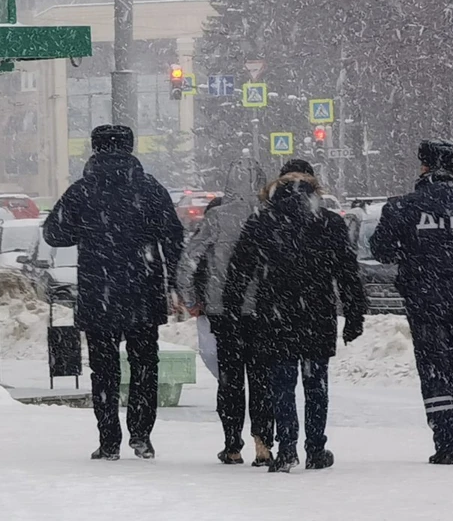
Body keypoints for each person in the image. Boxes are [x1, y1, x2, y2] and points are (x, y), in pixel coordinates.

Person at [43, 125, 184, 461]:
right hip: (143, 291)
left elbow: (53, 233)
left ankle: (109, 441)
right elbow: (174, 237)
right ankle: (141, 435)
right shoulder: (150, 189)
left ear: (95, 149)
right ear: (131, 148)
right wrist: (173, 281)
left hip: (98, 290)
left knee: (104, 371)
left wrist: (89, 230)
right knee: (145, 365)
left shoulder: (83, 190)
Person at [223, 160, 366, 473]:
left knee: (282, 384)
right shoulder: (329, 221)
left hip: (275, 314)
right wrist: (355, 314)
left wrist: (232, 310)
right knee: (316, 385)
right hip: (318, 313)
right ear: (314, 185)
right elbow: (347, 274)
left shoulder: (262, 220)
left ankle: (287, 449)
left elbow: (239, 271)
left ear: (278, 184)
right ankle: (316, 448)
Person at [369, 140, 453, 465]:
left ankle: (445, 437)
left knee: (432, 363)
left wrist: (413, 256)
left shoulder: (403, 207)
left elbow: (381, 250)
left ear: (424, 166)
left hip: (423, 295)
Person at [176, 158, 275, 467]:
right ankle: (263, 442)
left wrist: (191, 298)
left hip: (224, 309)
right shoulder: (269, 215)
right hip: (262, 309)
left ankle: (232, 444)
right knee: (261, 378)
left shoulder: (217, 217)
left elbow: (188, 262)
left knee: (230, 379)